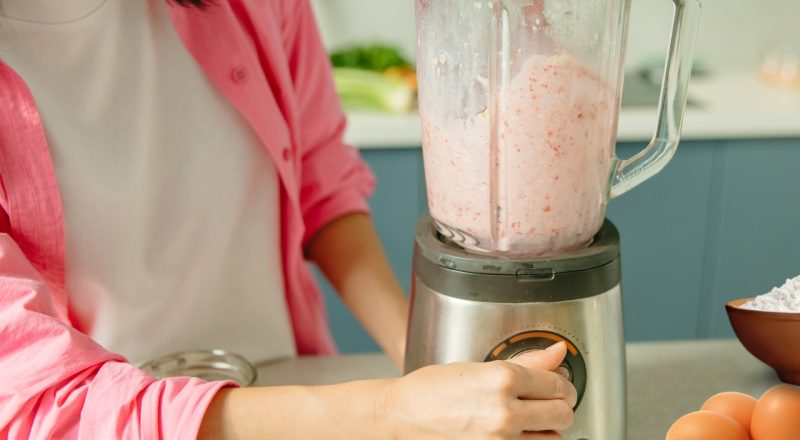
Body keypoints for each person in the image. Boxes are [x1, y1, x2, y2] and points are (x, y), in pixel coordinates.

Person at [0, 0, 577, 438]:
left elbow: (320, 181)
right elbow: (43, 401)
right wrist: (394, 411)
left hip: (295, 399)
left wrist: (428, 361)